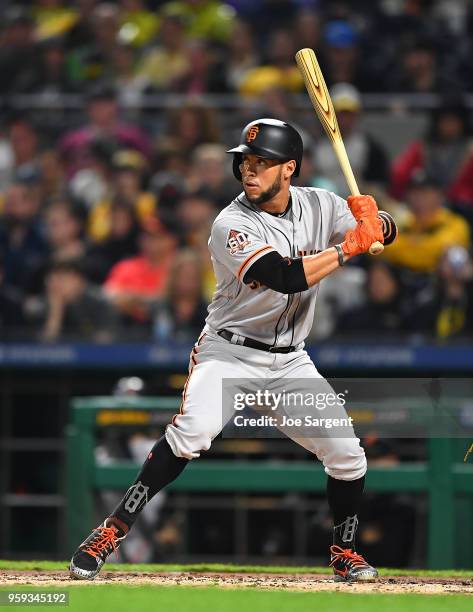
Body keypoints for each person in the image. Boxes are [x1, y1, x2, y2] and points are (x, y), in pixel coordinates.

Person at [70, 118, 384, 582]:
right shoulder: (230, 223)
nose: (249, 171)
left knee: (348, 456)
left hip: (290, 358)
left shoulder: (321, 203)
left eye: (262, 163)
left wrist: (378, 220)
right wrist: (347, 249)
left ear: (289, 169)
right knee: (191, 434)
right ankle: (112, 529)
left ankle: (344, 550)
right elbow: (285, 277)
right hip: (229, 353)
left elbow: (383, 230)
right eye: (245, 162)